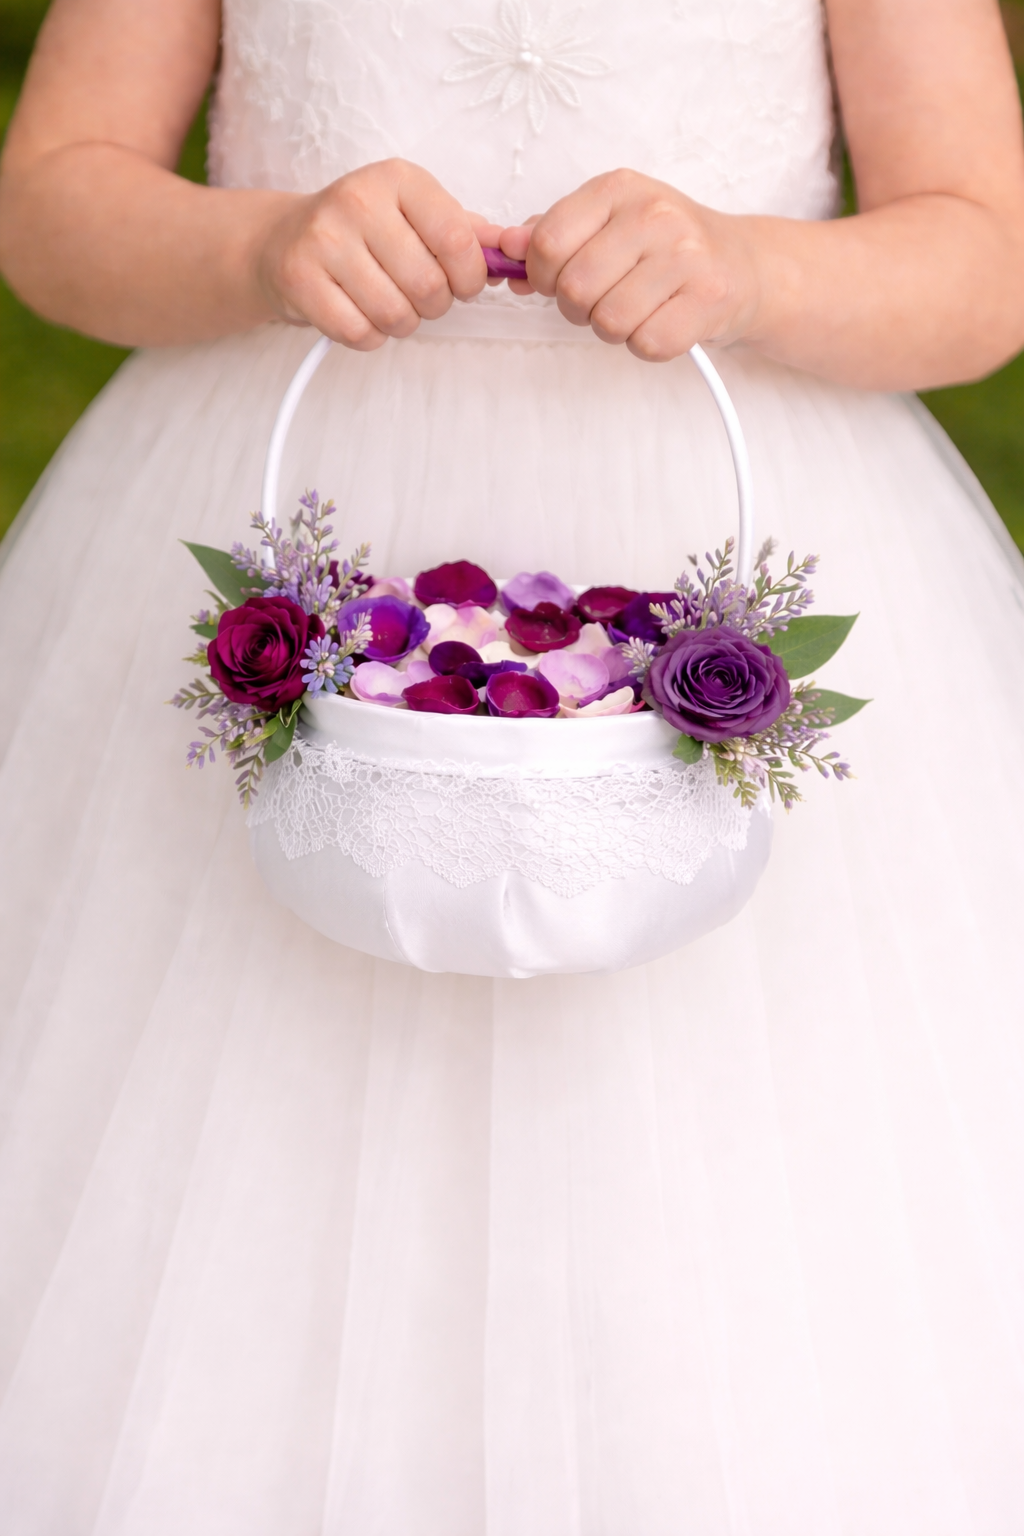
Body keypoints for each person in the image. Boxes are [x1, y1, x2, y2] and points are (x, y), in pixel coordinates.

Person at [1, 0, 1023, 1528]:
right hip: (303, 516)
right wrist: (259, 245)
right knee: (239, 1150)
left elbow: (985, 254)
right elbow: (54, 200)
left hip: (724, 502)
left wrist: (752, 266)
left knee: (724, 1181)